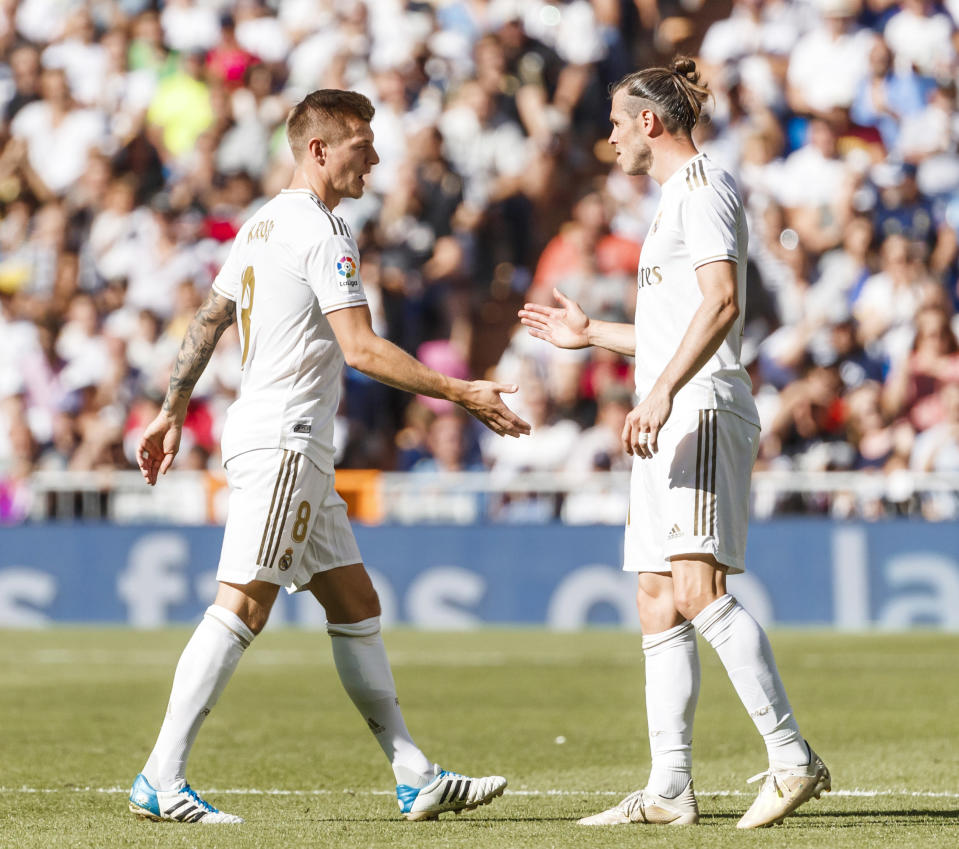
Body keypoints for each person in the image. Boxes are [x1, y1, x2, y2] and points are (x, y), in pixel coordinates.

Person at [129, 89, 530, 825]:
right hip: (284, 439)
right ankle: (161, 775)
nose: (374, 158)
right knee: (242, 604)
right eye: (360, 145)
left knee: (354, 602)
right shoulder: (319, 229)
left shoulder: (262, 222)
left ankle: (414, 774)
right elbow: (361, 348)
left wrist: (171, 405)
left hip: (289, 441)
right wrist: (459, 390)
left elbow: (212, 316)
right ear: (319, 149)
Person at [518, 57, 830, 830]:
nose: (612, 136)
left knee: (697, 591)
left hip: (698, 408)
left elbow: (722, 304)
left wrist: (658, 390)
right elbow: (673, 326)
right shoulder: (668, 203)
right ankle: (668, 789)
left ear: (649, 123)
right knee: (656, 598)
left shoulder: (704, 188)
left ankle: (792, 757)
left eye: (620, 122)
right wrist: (592, 334)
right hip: (672, 406)